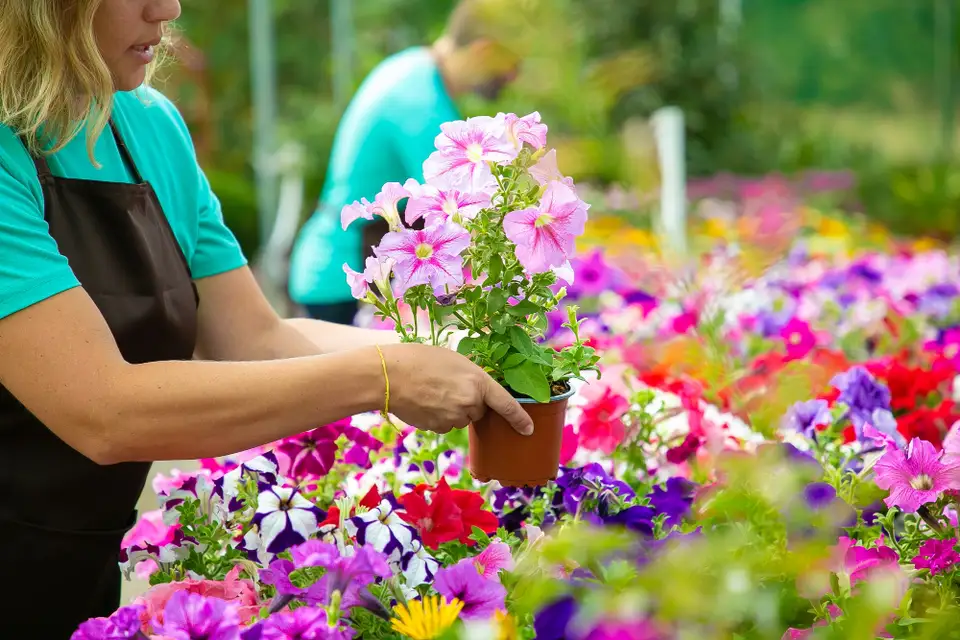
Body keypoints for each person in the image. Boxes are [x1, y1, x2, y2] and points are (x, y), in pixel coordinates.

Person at [0, 1, 533, 637]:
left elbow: (257, 337)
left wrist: (449, 351)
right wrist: (385, 375)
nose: (166, 8)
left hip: (81, 576)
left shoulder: (151, 128)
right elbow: (103, 410)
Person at [288, 0, 522, 324]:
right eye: (510, 68)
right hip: (343, 282)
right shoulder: (420, 100)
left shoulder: (413, 69)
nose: (511, 79)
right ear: (483, 51)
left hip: (338, 269)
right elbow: (462, 204)